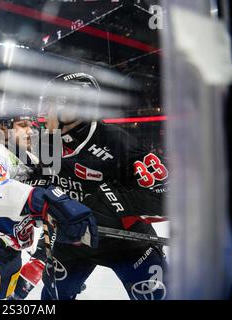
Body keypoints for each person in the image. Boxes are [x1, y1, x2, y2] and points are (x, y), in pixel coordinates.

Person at [12, 72, 169, 300]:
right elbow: (46, 179)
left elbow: (166, 198)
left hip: (127, 245)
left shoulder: (119, 143)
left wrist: (110, 204)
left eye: (54, 104)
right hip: (73, 240)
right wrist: (29, 187)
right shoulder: (48, 142)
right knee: (53, 298)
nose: (46, 113)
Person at [0, 101, 98, 300]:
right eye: (22, 125)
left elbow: (46, 212)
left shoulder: (32, 161)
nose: (30, 131)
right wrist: (39, 200)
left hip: (11, 255)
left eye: (31, 126)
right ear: (2, 128)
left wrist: (57, 259)